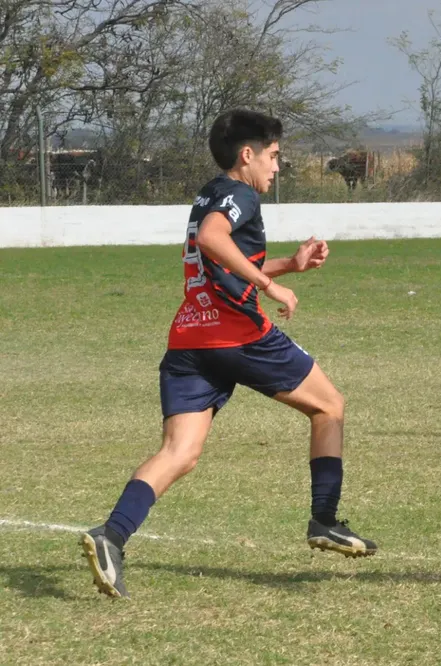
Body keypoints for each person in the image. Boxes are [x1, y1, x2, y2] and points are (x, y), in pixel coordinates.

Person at [80, 109, 377, 599]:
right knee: (330, 406)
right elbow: (213, 239)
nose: (277, 166)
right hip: (237, 335)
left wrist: (289, 265)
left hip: (190, 339)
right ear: (247, 154)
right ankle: (324, 519)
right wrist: (270, 286)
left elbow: (221, 259)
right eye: (273, 156)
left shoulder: (210, 194)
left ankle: (111, 536)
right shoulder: (240, 195)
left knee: (179, 453)